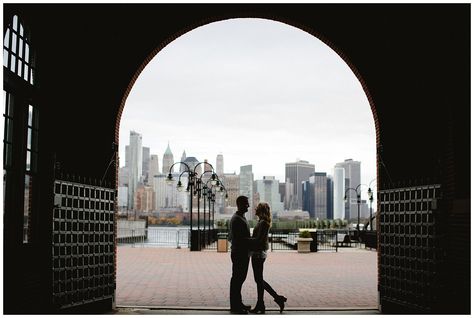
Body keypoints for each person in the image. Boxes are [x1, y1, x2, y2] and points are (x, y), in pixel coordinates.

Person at [248, 202, 287, 314]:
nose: (254, 209)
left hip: (258, 254)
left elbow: (259, 240)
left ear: (260, 210)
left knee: (258, 280)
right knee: (259, 280)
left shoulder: (263, 223)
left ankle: (276, 299)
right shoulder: (261, 222)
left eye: (257, 207)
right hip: (258, 253)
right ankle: (261, 304)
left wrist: (246, 241)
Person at [229, 195, 252, 314]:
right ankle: (235, 307)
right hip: (239, 254)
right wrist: (255, 241)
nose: (248, 205)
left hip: (241, 253)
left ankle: (238, 303)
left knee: (239, 279)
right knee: (237, 279)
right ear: (240, 204)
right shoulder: (237, 219)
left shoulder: (240, 217)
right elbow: (241, 239)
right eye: (246, 203)